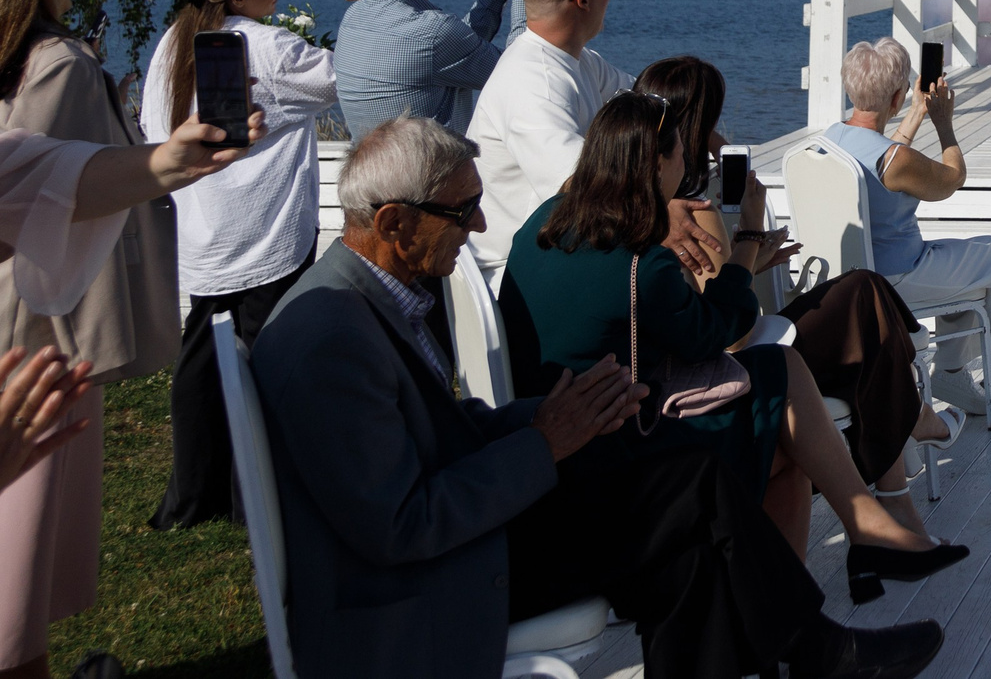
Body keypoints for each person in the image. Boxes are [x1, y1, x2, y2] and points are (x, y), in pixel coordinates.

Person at [254, 114, 944, 679]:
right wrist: (543, 441)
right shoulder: (329, 340)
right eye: (463, 211)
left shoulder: (374, 297)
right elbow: (401, 527)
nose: (480, 229)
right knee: (692, 498)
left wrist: (550, 416)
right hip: (433, 582)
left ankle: (816, 650)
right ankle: (820, 651)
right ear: (396, 223)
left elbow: (437, 433)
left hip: (470, 532)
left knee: (689, 499)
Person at [498, 93, 965, 596]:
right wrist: (746, 236)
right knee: (780, 374)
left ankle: (809, 601)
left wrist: (659, 212)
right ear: (658, 164)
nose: (690, 163)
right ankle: (860, 534)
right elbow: (717, 332)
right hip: (621, 444)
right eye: (681, 154)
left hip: (540, 420)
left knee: (785, 441)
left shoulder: (543, 222)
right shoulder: (642, 261)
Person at [0, 0, 265, 679]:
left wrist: (166, 161)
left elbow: (38, 170)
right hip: (37, 325)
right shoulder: (57, 63)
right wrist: (160, 166)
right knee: (19, 557)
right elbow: (43, 175)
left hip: (35, 311)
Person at [640, 54, 949, 502]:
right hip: (736, 356)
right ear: (696, 125)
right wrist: (747, 237)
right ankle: (911, 424)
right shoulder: (693, 210)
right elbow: (729, 328)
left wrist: (755, 258)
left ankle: (903, 463)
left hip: (719, 341)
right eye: (713, 120)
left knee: (865, 298)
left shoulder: (652, 200)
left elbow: (708, 288)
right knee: (863, 294)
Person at [137, 0, 338, 528]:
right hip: (262, 229)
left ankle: (196, 492)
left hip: (203, 227)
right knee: (272, 365)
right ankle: (260, 496)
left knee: (202, 362)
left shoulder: (174, 44)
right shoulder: (270, 47)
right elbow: (343, 81)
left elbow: (155, 126)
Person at [823, 38, 991, 421]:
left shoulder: (831, 140)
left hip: (849, 278)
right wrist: (944, 123)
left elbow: (883, 155)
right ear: (895, 97)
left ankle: (953, 375)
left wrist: (915, 114)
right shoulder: (895, 160)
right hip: (899, 276)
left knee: (975, 281)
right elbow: (952, 178)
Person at [466, 0, 633, 272]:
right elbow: (577, 181)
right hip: (514, 274)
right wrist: (665, 214)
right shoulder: (531, 81)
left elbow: (645, 98)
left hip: (554, 250)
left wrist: (709, 137)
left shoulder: (577, 60)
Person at [333, 0, 542, 138]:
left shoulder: (353, 17)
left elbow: (462, 48)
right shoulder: (432, 33)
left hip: (370, 170)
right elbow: (520, 74)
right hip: (433, 172)